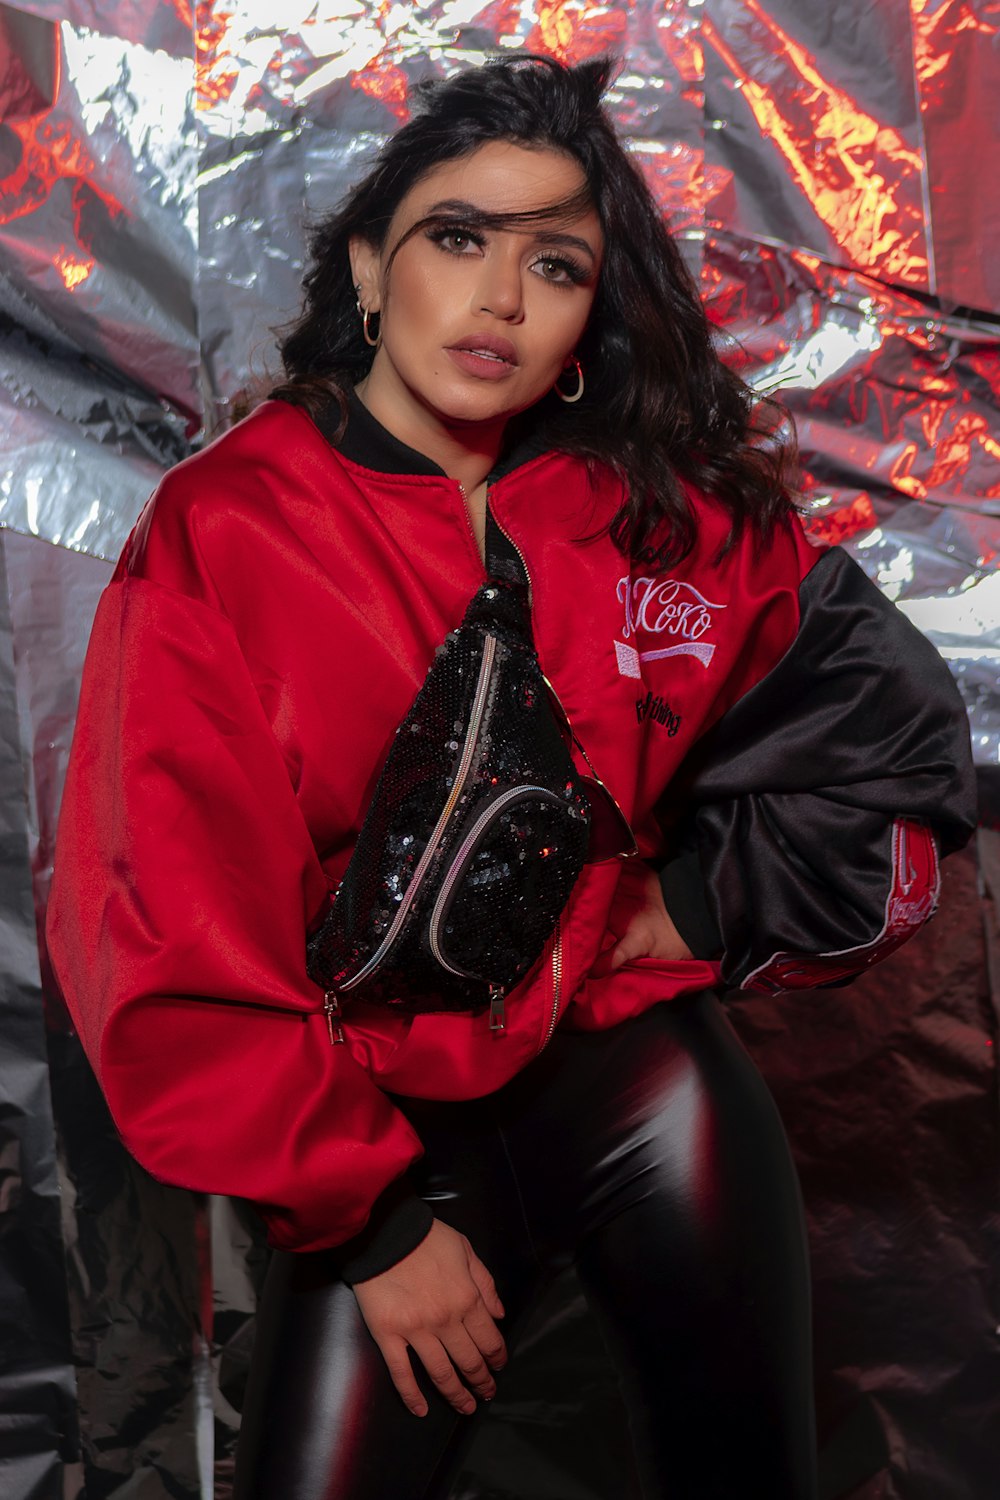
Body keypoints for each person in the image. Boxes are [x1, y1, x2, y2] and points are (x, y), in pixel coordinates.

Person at [46, 53, 976, 1500]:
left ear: (590, 314)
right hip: (384, 1146)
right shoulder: (228, 531)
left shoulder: (651, 511)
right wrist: (370, 1231)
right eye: (458, 238)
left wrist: (698, 901)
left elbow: (895, 736)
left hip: (650, 1106)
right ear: (371, 264)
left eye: (555, 261)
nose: (501, 297)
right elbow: (160, 923)